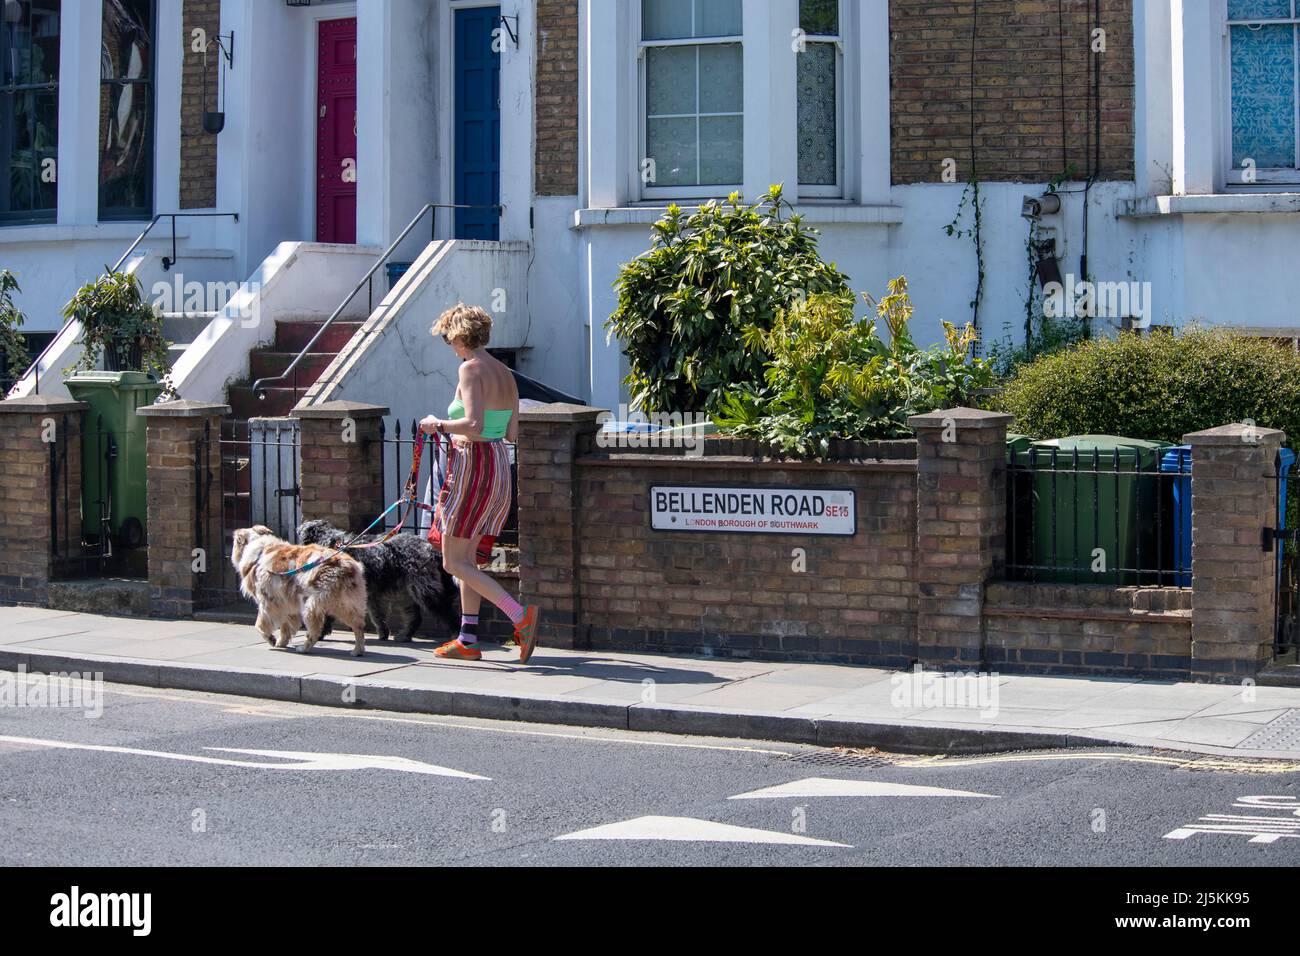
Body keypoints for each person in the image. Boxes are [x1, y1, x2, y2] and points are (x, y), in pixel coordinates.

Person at [420, 304, 539, 663]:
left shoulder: (470, 369)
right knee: (468, 560)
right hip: (499, 465)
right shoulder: (505, 372)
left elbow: (471, 424)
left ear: (459, 335)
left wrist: (436, 424)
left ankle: (520, 616)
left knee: (453, 562)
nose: (450, 345)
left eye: (449, 338)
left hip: (473, 466)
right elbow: (512, 431)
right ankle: (467, 639)